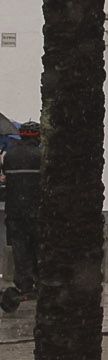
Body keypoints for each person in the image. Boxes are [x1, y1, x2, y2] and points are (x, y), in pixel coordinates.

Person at [3, 123, 40, 301]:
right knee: (37, 247)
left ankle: (24, 284)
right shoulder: (41, 156)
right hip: (36, 211)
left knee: (20, 249)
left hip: (15, 212)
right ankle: (40, 282)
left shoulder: (10, 156)